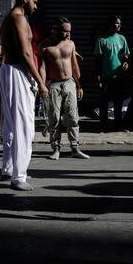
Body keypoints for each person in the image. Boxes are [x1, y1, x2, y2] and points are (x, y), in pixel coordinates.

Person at [0, 0, 48, 191]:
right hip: (17, 71)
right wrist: (40, 81)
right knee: (24, 126)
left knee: (11, 125)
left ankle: (8, 168)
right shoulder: (18, 18)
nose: (36, 6)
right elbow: (26, 54)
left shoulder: (10, 17)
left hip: (10, 71)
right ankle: (19, 176)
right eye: (35, 1)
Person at [38, 17, 89, 160]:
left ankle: (75, 148)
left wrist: (79, 85)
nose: (68, 34)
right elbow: (41, 68)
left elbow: (74, 65)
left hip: (69, 83)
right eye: (65, 31)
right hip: (53, 85)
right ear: (56, 28)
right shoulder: (44, 45)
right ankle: (56, 149)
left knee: (73, 117)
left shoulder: (70, 44)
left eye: (69, 31)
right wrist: (42, 85)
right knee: (54, 119)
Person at [94, 14, 130, 133]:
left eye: (120, 23)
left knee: (118, 102)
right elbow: (98, 59)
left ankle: (118, 125)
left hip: (119, 76)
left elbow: (126, 56)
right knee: (104, 102)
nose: (119, 25)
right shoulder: (102, 40)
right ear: (110, 24)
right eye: (117, 23)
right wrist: (98, 76)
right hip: (105, 77)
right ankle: (103, 126)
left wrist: (126, 63)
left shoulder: (122, 39)